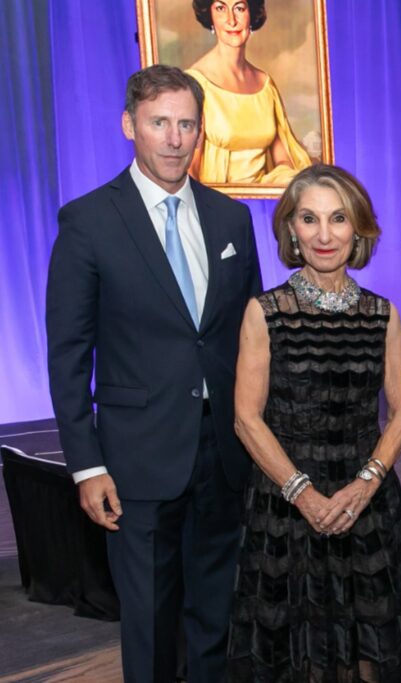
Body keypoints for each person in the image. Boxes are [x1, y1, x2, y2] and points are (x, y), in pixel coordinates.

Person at [46, 64, 262, 682]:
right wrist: (86, 466)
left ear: (201, 131)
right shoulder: (88, 221)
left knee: (218, 615)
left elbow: (252, 340)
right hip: (135, 461)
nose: (173, 138)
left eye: (186, 124)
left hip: (223, 451)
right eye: (159, 122)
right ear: (129, 125)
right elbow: (68, 354)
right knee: (148, 623)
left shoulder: (230, 219)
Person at [227, 164, 401, 680]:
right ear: (291, 229)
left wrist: (365, 485)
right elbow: (246, 419)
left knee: (374, 649)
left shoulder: (382, 314)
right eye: (309, 219)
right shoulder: (265, 312)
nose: (324, 234)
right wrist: (304, 495)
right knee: (299, 655)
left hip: (367, 503)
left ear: (358, 228)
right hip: (286, 507)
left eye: (338, 219)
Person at [187, 0, 312, 184]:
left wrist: (284, 182)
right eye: (220, 8)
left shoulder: (266, 85)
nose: (231, 20)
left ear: (251, 13)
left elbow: (283, 161)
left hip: (264, 198)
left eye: (239, 8)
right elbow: (189, 171)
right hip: (215, 198)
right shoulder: (194, 83)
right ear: (210, 16)